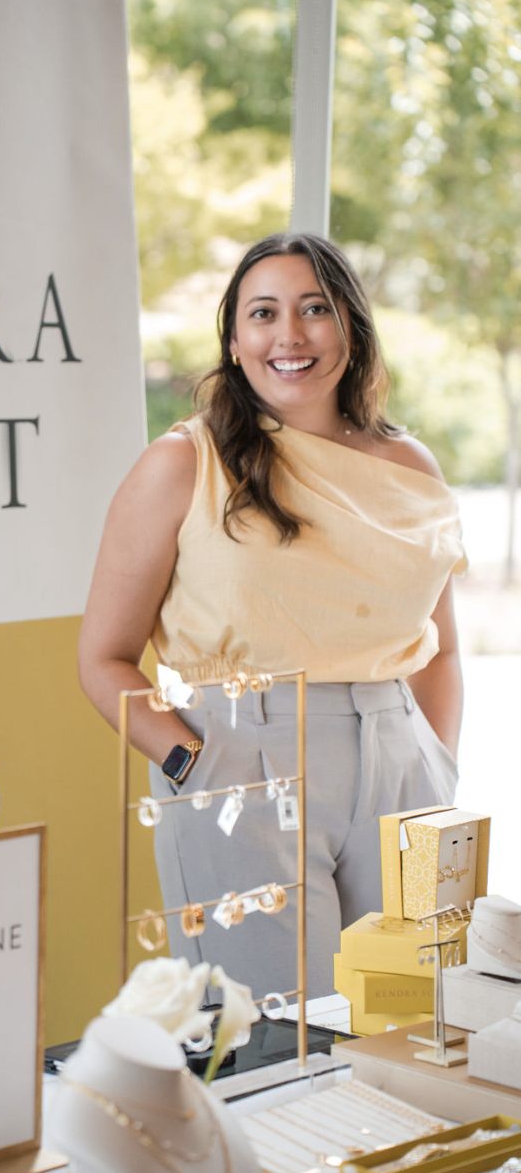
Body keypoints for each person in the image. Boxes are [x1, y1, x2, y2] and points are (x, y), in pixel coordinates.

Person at [78, 233, 464, 1000]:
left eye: (314, 309)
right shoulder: (183, 464)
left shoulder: (411, 466)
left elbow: (441, 649)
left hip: (403, 764)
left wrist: (437, 760)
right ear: (234, 339)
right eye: (264, 313)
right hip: (239, 759)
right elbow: (104, 658)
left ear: (350, 327)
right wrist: (193, 765)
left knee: (414, 1015)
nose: (289, 335)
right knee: (266, 1034)